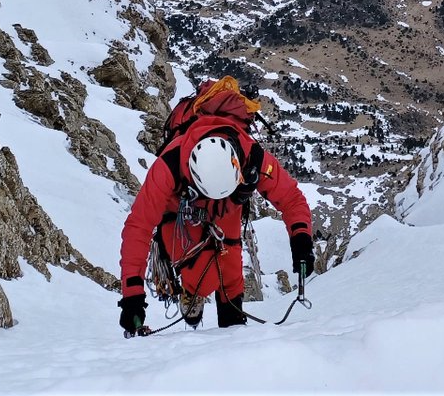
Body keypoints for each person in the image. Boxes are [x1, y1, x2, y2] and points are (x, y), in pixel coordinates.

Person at [118, 109, 314, 332]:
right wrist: (132, 295)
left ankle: (233, 325)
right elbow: (139, 227)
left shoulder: (252, 156)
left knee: (230, 270)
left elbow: (290, 198)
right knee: (195, 269)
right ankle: (192, 291)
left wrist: (301, 239)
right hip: (182, 214)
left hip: (227, 211)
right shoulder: (168, 166)